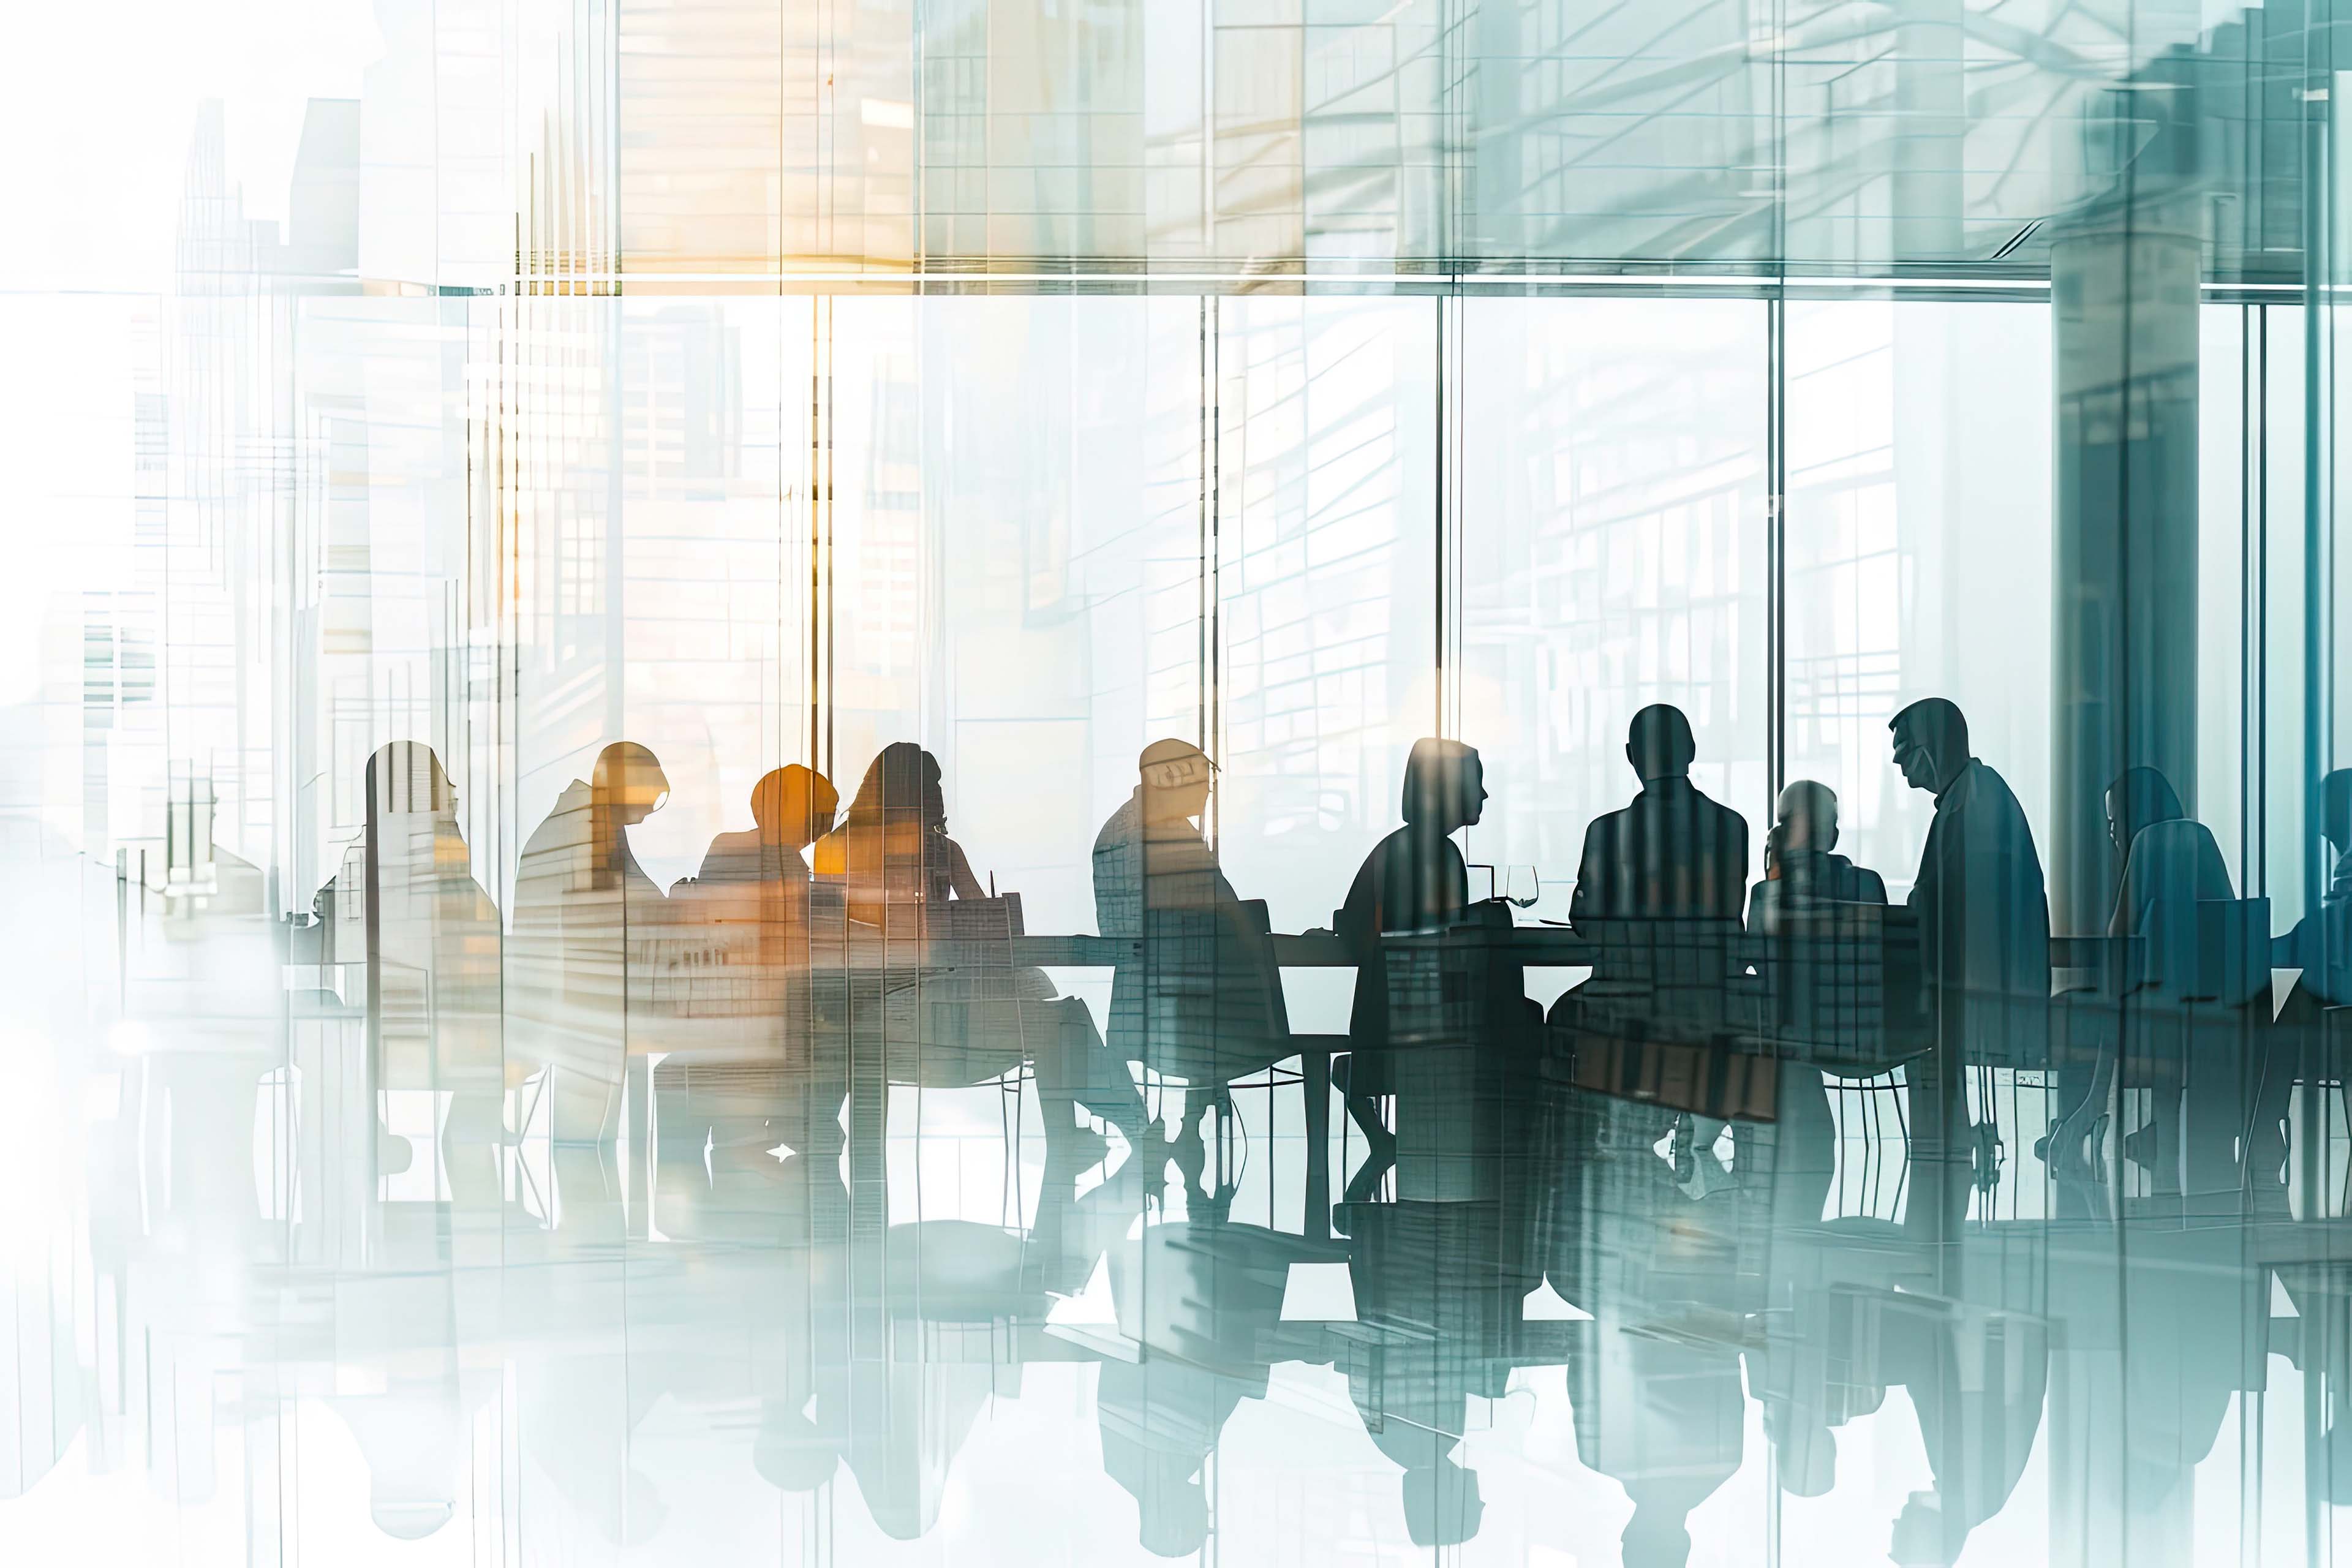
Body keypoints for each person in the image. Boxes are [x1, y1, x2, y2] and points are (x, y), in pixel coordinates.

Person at [1888, 698, 2049, 1241]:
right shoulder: (1975, 797)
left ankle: (1944, 1144)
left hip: (1971, 986)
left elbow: (1949, 905)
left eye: (1906, 752)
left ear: (1931, 750)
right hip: (1981, 980)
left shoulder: (1969, 807)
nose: (1900, 766)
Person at [1091, 738, 1286, 1189]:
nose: (1208, 791)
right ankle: (1191, 1119)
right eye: (1201, 779)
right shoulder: (1169, 831)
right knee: (1232, 981)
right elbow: (1221, 904)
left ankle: (1166, 1125)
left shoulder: (1118, 826)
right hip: (1188, 990)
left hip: (1138, 985)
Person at [1335, 739, 1490, 1193]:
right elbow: (1449, 942)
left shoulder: (1389, 851)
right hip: (1429, 1026)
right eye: (1478, 783)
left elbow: (1353, 922)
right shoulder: (1444, 858)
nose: (1484, 796)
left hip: (1378, 1023)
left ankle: (1381, 1130)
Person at [508, 741, 675, 1139]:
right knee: (585, 1136)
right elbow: (616, 911)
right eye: (650, 799)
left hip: (584, 1004)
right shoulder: (580, 833)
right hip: (579, 1005)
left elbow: (632, 899)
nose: (651, 811)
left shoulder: (595, 828)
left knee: (589, 1130)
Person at [1570, 704, 1749, 925]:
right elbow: (1729, 918)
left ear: (1631, 755)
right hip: (1702, 960)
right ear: (1691, 750)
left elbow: (1583, 919)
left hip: (1628, 960)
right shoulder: (1730, 826)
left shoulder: (1605, 832)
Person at [810, 742, 984, 929]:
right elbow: (985, 917)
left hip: (855, 955)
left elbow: (825, 921)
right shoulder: (944, 851)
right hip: (922, 953)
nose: (939, 793)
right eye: (935, 785)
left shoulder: (832, 846)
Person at [1746, 779, 1886, 934]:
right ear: (1834, 837)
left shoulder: (1765, 893)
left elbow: (1757, 953)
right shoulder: (1866, 883)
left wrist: (1774, 867)